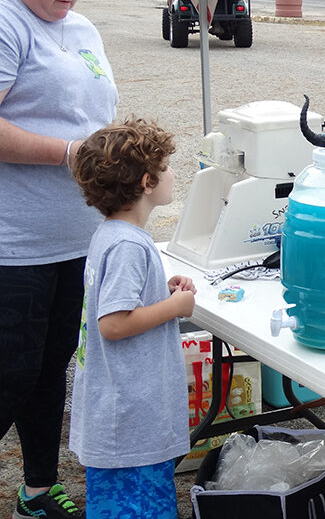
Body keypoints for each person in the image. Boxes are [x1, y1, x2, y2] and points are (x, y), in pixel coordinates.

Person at [0, 0, 117, 519]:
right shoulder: (6, 21)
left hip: (73, 239)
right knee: (10, 378)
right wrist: (73, 153)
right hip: (13, 244)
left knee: (50, 373)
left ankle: (37, 492)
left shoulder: (80, 27)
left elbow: (93, 112)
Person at [68, 118, 195, 518]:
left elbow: (118, 301)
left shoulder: (110, 234)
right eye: (166, 165)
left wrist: (160, 292)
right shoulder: (128, 245)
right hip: (131, 422)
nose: (172, 173)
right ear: (145, 182)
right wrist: (174, 308)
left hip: (118, 416)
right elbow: (114, 323)